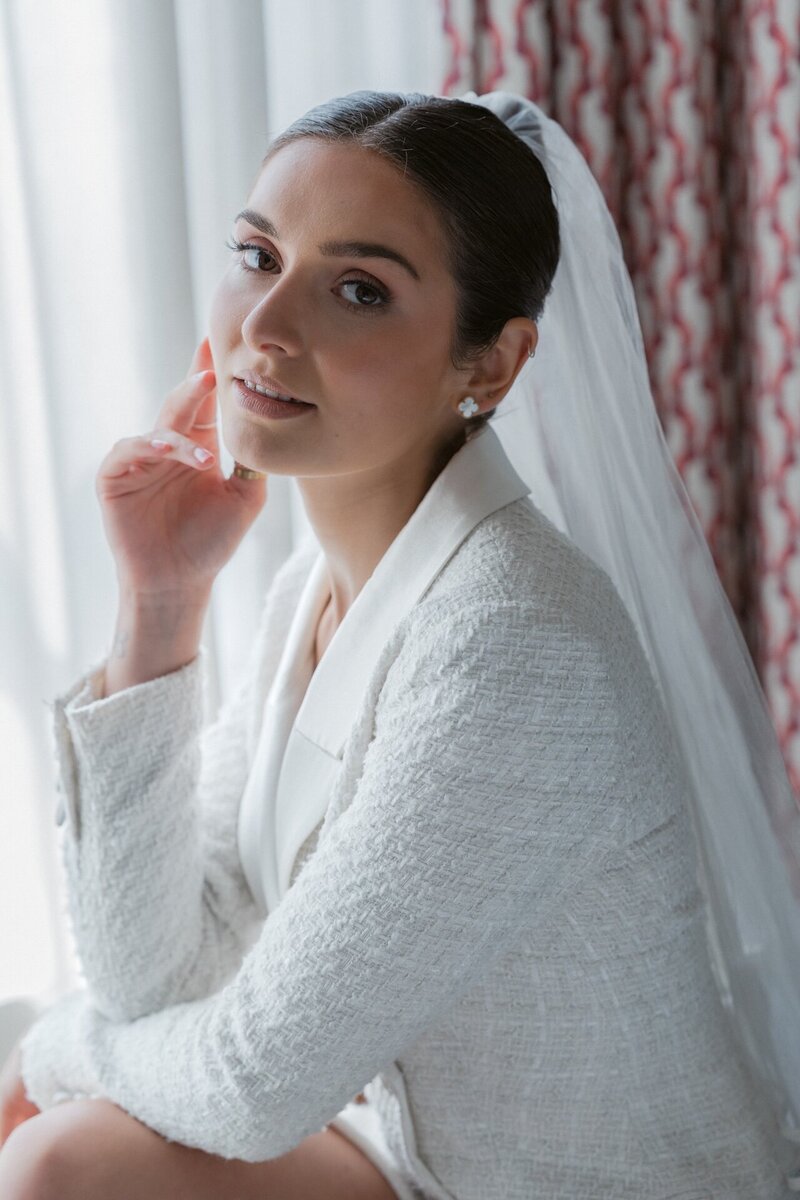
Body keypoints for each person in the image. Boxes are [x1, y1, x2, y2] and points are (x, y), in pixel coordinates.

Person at [0, 88, 794, 1199]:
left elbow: (253, 1084)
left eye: (357, 290)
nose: (265, 327)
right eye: (255, 252)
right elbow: (161, 979)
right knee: (63, 1156)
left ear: (490, 366)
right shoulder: (307, 593)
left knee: (55, 1155)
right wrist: (161, 605)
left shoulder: (514, 642)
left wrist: (54, 1051)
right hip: (423, 1154)